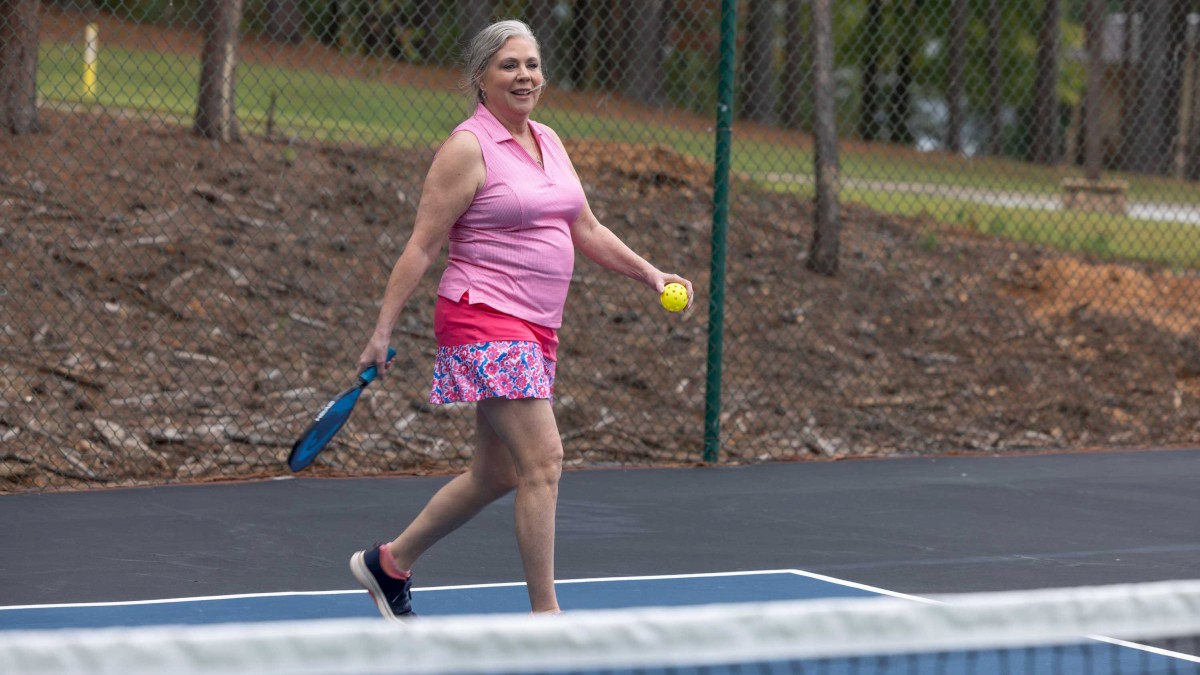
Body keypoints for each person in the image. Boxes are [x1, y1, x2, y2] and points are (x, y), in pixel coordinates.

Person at [348, 19, 694, 619]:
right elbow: (422, 247)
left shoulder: (549, 140)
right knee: (544, 461)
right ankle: (546, 617)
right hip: (482, 315)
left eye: (531, 64)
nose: (524, 75)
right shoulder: (467, 147)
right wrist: (381, 331)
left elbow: (583, 226)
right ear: (481, 78)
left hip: (537, 328)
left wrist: (651, 274)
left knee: (497, 474)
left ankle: (389, 562)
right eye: (509, 65)